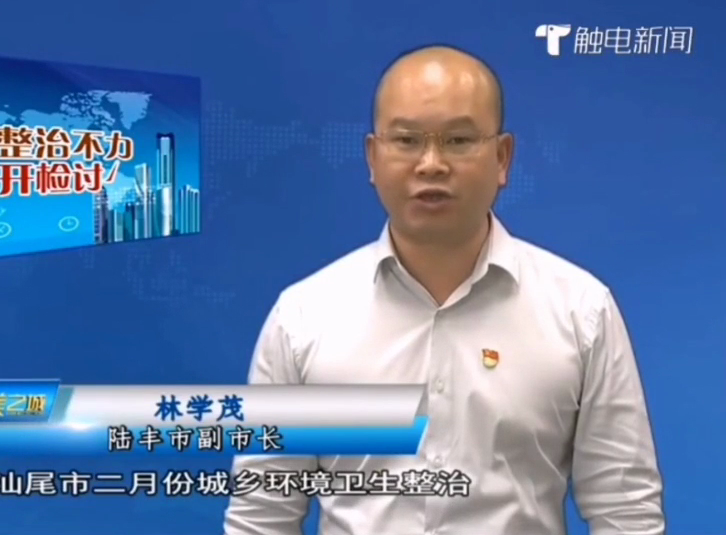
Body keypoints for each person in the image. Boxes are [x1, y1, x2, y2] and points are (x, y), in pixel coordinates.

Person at [223, 45, 665, 535]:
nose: (431, 164)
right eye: (406, 140)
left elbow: (626, 511)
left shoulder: (580, 310)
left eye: (458, 140)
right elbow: (262, 515)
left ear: (502, 158)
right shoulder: (304, 318)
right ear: (372, 157)